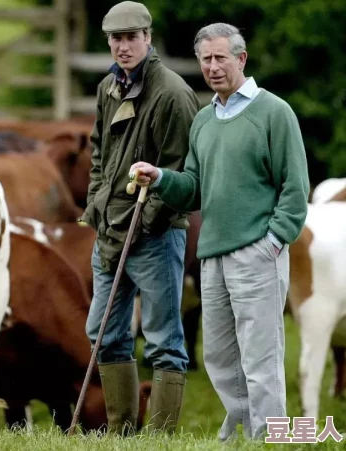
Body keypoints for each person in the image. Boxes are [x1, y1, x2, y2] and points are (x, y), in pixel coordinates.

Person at [129, 23, 310, 441]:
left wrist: (273, 242)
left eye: (220, 58)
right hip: (212, 256)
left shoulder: (274, 112)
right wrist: (159, 178)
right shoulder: (204, 121)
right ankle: (242, 429)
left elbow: (295, 187)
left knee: (261, 356)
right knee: (220, 356)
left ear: (241, 59)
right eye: (205, 59)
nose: (212, 67)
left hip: (257, 252)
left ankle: (269, 437)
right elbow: (193, 190)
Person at [78, 1, 200, 435]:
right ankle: (121, 431)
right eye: (116, 38)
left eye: (131, 37)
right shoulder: (107, 88)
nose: (123, 46)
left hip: (156, 234)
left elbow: (183, 174)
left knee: (164, 340)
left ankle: (162, 436)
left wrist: (144, 222)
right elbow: (99, 154)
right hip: (110, 230)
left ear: (148, 38)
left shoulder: (172, 93)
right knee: (104, 333)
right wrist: (97, 201)